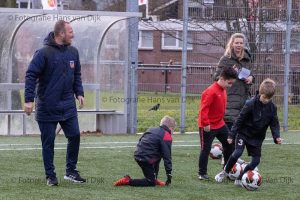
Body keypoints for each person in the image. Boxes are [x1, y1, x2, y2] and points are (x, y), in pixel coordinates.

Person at [24, 20, 86, 186]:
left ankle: (71, 172)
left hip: (68, 105)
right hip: (47, 106)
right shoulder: (43, 53)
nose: (73, 34)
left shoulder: (73, 52)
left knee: (74, 136)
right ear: (61, 34)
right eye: (70, 31)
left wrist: (79, 92)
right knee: (48, 142)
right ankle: (50, 176)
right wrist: (29, 100)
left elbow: (77, 74)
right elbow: (30, 75)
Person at [215, 78, 282, 186]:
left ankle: (240, 179)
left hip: (257, 138)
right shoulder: (250, 104)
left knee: (256, 161)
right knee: (237, 152)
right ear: (260, 93)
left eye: (269, 98)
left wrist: (276, 137)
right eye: (264, 97)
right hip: (244, 134)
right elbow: (239, 119)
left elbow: (274, 123)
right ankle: (225, 172)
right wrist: (232, 134)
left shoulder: (272, 108)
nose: (266, 100)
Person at [214, 33, 254, 165]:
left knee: (240, 130)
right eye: (236, 43)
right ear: (231, 44)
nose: (239, 45)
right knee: (231, 130)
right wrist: (231, 73)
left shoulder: (247, 59)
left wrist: (251, 79)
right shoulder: (225, 59)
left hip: (244, 99)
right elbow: (216, 78)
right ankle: (227, 158)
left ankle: (233, 156)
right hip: (229, 98)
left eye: (241, 43)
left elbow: (251, 75)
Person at [198, 66, 238, 180]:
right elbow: (204, 108)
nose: (230, 86)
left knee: (229, 143)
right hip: (208, 126)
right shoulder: (210, 91)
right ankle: (202, 173)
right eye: (229, 83)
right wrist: (205, 123)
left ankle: (227, 169)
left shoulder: (223, 90)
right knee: (205, 149)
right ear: (222, 78)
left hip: (220, 124)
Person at [113, 115, 176, 187]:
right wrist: (169, 174)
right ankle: (127, 181)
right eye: (173, 129)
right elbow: (167, 157)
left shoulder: (151, 129)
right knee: (150, 183)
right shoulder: (166, 136)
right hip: (146, 158)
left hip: (138, 154)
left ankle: (154, 178)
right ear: (170, 128)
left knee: (157, 154)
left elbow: (141, 140)